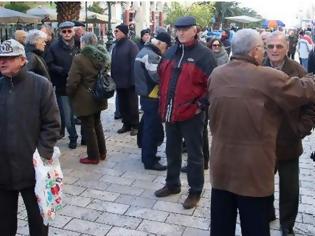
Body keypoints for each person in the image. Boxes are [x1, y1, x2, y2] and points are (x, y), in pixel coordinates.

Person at [208, 28, 315, 236]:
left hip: (221, 165)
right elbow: (305, 90)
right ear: (256, 51)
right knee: (255, 225)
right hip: (253, 170)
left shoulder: (217, 74)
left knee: (221, 224)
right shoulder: (266, 76)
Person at [154, 16, 217, 209]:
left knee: (195, 155)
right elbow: (161, 76)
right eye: (178, 29)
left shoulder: (204, 55)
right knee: (171, 150)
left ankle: (195, 191)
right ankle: (172, 184)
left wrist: (200, 105)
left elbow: (213, 84)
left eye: (185, 29)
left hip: (192, 115)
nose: (181, 32)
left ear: (195, 30)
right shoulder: (171, 51)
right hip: (170, 113)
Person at [0, 39, 60, 236]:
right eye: (1, 58)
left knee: (38, 222)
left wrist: (41, 157)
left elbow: (52, 125)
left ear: (23, 60)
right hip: (3, 169)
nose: (3, 62)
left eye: (9, 58)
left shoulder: (41, 85)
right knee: (4, 224)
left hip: (33, 170)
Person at [264, 31, 307, 236]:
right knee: (263, 181)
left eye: (279, 46)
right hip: (262, 140)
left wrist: (302, 128)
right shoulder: (257, 68)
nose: (274, 50)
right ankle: (267, 212)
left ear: (287, 47)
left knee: (290, 187)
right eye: (270, 46)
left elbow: (311, 103)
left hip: (289, 140)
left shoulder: (298, 71)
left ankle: (287, 224)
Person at [67, 32, 109, 164]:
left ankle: (93, 156)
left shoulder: (80, 58)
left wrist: (69, 93)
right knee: (97, 124)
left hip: (85, 98)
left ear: (84, 43)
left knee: (88, 127)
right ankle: (102, 152)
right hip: (99, 95)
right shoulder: (103, 56)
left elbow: (72, 81)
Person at [134, 31, 171, 171]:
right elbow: (156, 77)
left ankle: (146, 154)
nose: (166, 50)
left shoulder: (145, 50)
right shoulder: (151, 55)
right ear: (161, 43)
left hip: (146, 95)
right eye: (166, 47)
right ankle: (149, 160)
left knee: (147, 125)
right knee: (151, 127)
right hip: (151, 96)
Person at [46, 21, 81, 148]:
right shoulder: (54, 47)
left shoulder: (79, 44)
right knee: (67, 115)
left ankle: (86, 138)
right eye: (64, 31)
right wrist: (62, 71)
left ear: (73, 31)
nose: (67, 34)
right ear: (60, 33)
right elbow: (49, 64)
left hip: (79, 85)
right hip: (62, 86)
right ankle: (73, 137)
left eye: (69, 31)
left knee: (83, 112)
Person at [111, 23, 139, 136]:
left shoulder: (131, 45)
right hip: (119, 81)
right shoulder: (116, 45)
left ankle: (135, 125)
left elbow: (135, 64)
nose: (115, 33)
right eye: (115, 31)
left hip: (129, 82)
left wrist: (133, 81)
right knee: (122, 104)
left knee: (132, 104)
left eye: (117, 31)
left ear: (123, 32)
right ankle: (126, 124)